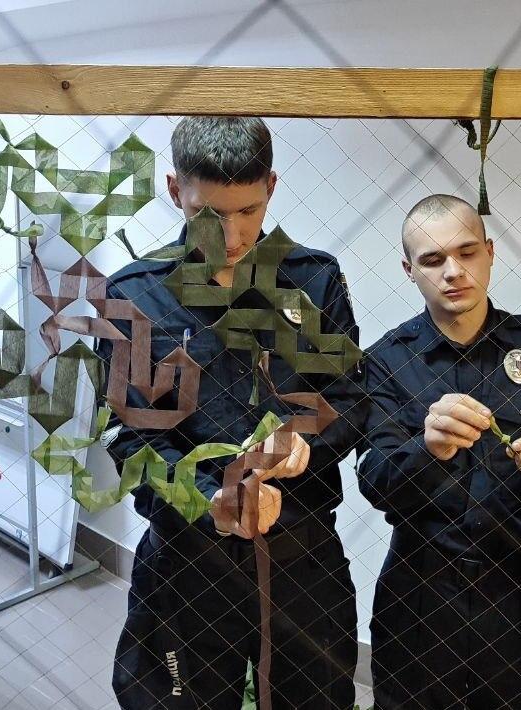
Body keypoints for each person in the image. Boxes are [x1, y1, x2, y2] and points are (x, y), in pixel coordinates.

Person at [100, 116, 363, 709]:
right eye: (209, 214)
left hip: (301, 554)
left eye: (248, 210)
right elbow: (129, 436)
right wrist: (205, 497)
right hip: (187, 559)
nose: (232, 234)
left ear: (271, 186)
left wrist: (301, 441)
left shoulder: (310, 281)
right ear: (175, 191)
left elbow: (349, 398)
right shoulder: (135, 296)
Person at [358, 193, 521, 709]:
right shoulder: (386, 360)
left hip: (514, 594)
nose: (453, 271)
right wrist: (427, 449)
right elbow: (374, 481)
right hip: (418, 596)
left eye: (467, 252)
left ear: (490, 253)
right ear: (408, 270)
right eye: (432, 260)